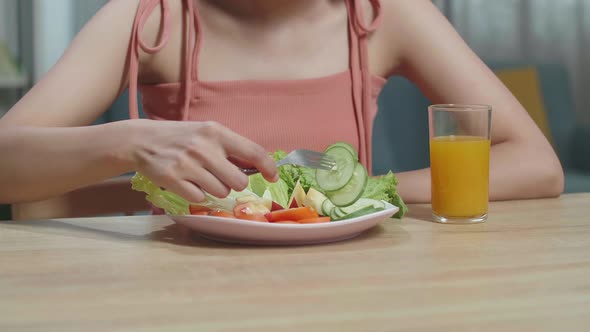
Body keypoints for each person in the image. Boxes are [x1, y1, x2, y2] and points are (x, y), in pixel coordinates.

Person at [0, 0, 563, 205]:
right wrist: (130, 140)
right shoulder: (153, 17)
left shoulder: (381, 13)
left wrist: (363, 194)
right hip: (183, 295)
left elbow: (535, 165)